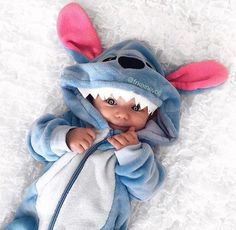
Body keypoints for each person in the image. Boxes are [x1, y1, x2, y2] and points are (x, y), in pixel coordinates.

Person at [4, 3, 228, 230]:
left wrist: (131, 155)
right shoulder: (74, 123)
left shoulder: (140, 151)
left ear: (152, 116)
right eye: (111, 101)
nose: (122, 113)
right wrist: (66, 137)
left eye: (137, 108)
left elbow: (146, 188)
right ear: (92, 98)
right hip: (32, 219)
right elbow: (37, 140)